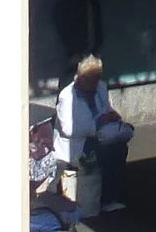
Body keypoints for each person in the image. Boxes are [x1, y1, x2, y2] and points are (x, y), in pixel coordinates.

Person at [55, 54, 129, 215]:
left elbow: (106, 109)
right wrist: (98, 122)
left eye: (96, 79)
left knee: (120, 147)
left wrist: (112, 116)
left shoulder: (100, 87)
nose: (94, 84)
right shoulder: (66, 97)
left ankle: (110, 197)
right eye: (90, 80)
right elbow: (68, 129)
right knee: (105, 153)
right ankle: (104, 199)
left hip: (99, 135)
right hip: (77, 143)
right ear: (80, 78)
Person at [52, 0, 104, 69]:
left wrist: (97, 44)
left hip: (92, 49)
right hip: (77, 51)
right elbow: (59, 17)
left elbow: (96, 21)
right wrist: (72, 46)